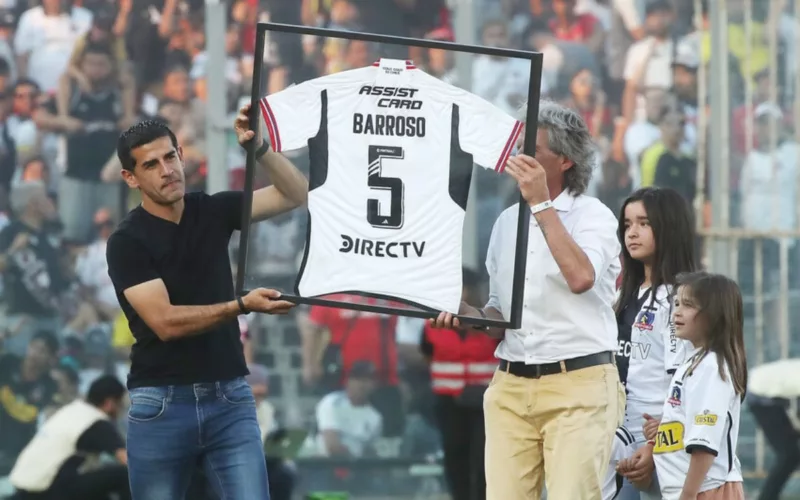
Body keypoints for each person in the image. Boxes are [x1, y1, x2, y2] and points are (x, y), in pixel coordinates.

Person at [105, 104, 308, 499]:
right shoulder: (127, 241)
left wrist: (260, 148)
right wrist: (241, 306)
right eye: (151, 165)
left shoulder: (211, 210)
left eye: (170, 156)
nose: (167, 170)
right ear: (130, 177)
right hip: (161, 403)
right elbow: (165, 322)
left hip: (228, 396)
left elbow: (294, 194)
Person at [432, 100, 625, 499]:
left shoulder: (594, 215)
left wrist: (541, 203)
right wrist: (466, 314)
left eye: (532, 150)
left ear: (566, 161)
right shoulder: (505, 223)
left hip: (579, 384)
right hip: (511, 384)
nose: (519, 156)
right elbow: (500, 310)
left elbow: (581, 277)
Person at [619, 272, 747, 500]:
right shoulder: (692, 362)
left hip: (706, 490)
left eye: (688, 305)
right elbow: (688, 429)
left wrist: (687, 495)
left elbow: (704, 444)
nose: (676, 311)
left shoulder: (711, 367)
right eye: (676, 303)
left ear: (715, 314)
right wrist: (660, 432)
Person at [613, 187, 697, 500]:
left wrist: (654, 445)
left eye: (643, 224)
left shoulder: (680, 297)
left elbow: (684, 380)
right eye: (627, 225)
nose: (632, 233)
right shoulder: (622, 295)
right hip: (621, 441)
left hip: (664, 445)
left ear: (669, 227)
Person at [10, 375, 129, 500]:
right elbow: (128, 461)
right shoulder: (96, 422)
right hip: (48, 490)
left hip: (23, 488)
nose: (121, 411)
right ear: (110, 403)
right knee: (126, 475)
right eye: (120, 405)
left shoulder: (71, 410)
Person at [746, 358, 800, 500]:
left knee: (790, 454)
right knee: (788, 454)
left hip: (772, 393)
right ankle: (767, 497)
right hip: (760, 395)